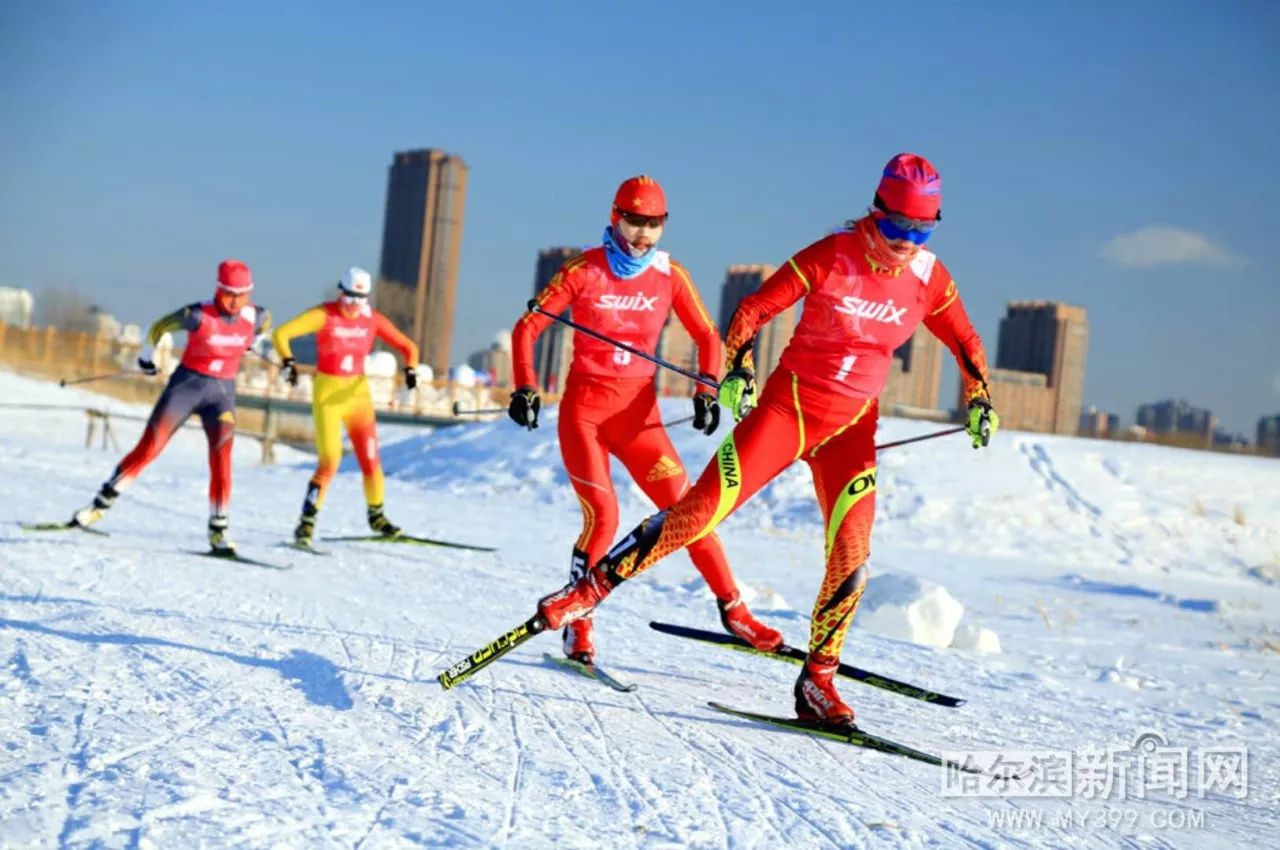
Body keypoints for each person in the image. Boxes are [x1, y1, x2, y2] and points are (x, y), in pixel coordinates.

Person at [533, 154, 1000, 725]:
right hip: (787, 411)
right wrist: (739, 369)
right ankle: (590, 592)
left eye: (921, 229)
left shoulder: (930, 277)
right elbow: (753, 310)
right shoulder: (834, 253)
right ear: (876, 212)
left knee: (853, 556)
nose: (907, 241)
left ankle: (818, 682)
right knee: (699, 511)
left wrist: (980, 397)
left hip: (851, 430)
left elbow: (965, 340)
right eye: (897, 226)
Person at [510, 175, 783, 663]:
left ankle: (735, 609)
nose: (642, 234)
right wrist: (526, 386)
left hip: (640, 418)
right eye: (634, 222)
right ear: (616, 217)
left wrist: (706, 387)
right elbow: (529, 326)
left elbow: (708, 337)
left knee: (688, 513)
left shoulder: (669, 274)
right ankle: (580, 622)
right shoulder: (584, 269)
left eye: (653, 224)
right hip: (585, 417)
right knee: (605, 518)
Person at [71, 259, 271, 555]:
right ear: (218, 289)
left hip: (222, 395)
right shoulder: (197, 314)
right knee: (150, 448)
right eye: (229, 293)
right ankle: (98, 506)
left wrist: (254, 343)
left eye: (242, 294)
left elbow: (263, 328)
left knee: (222, 457)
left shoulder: (257, 316)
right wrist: (147, 358)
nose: (235, 301)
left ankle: (219, 531)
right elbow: (159, 327)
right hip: (187, 387)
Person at [271, 267, 419, 547]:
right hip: (328, 395)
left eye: (359, 298)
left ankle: (377, 516)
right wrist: (287, 361)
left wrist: (411, 370)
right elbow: (282, 334)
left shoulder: (372, 320)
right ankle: (306, 522)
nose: (352, 304)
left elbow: (409, 347)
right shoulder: (324, 315)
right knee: (330, 461)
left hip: (358, 397)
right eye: (348, 295)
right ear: (340, 291)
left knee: (371, 460)